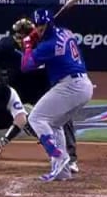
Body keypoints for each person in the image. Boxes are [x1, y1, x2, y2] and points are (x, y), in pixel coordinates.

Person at [0, 18, 80, 170]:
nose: (20, 37)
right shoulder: (5, 46)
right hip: (17, 87)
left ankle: (70, 159)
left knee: (64, 117)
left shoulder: (45, 46)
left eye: (24, 34)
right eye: (18, 34)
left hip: (41, 87)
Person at [20, 9, 93, 181]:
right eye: (36, 26)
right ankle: (63, 171)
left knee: (36, 118)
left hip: (71, 86)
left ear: (50, 24)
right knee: (54, 124)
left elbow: (26, 65)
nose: (38, 29)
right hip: (82, 85)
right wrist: (39, 37)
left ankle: (58, 155)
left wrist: (29, 45)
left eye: (41, 26)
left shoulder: (50, 45)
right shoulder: (65, 32)